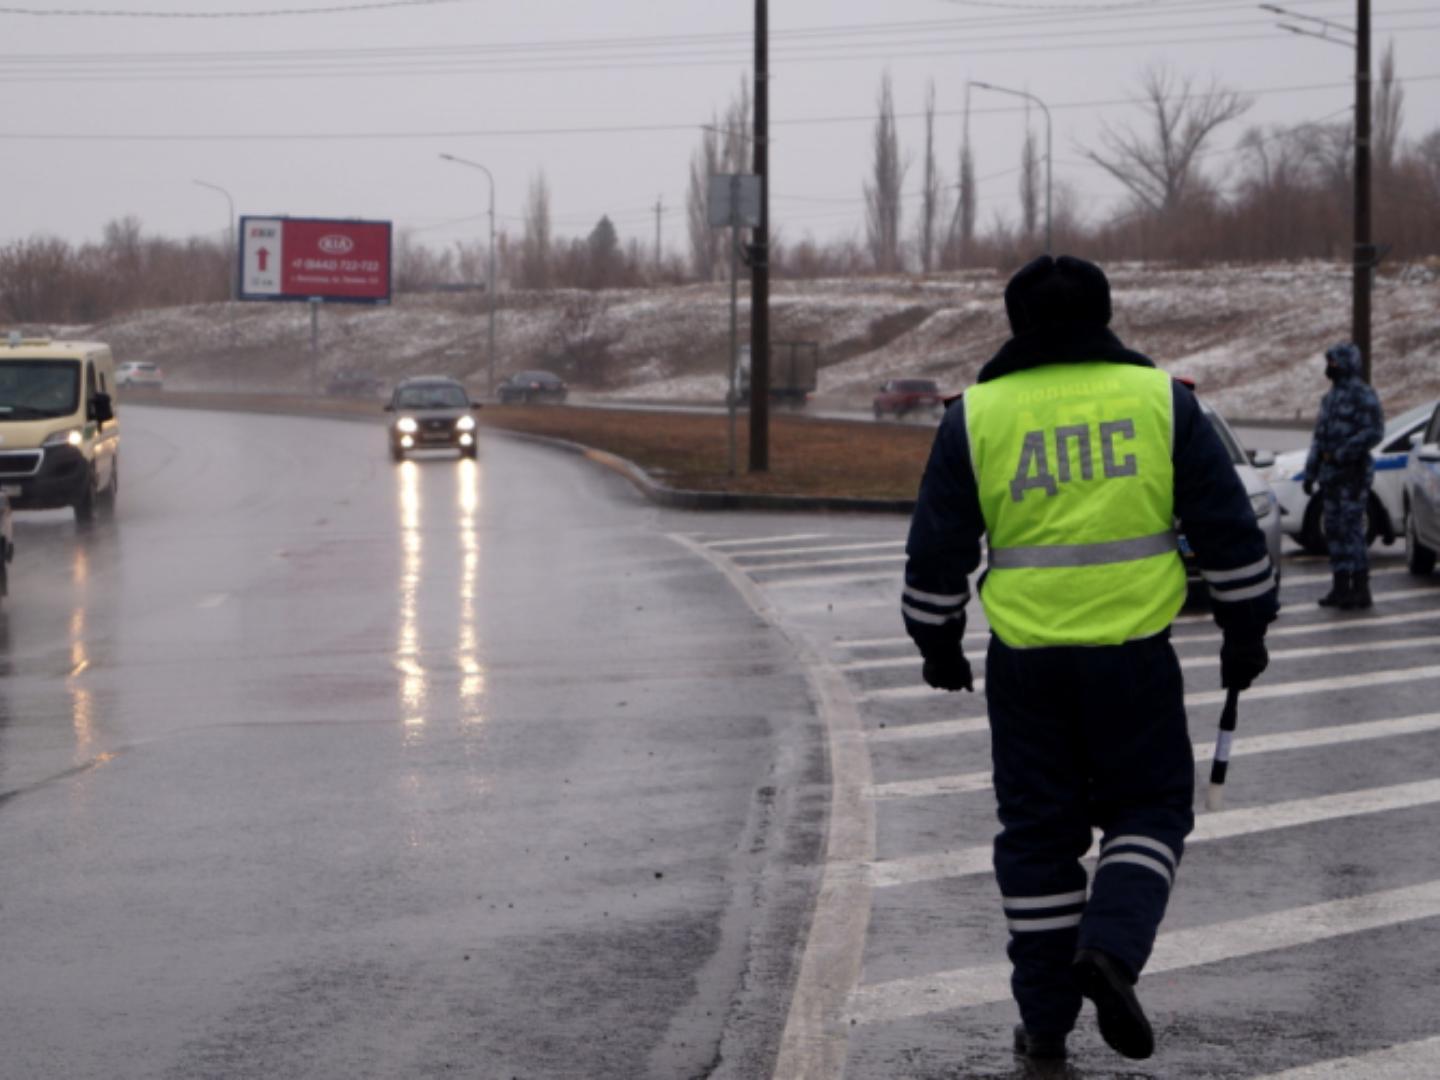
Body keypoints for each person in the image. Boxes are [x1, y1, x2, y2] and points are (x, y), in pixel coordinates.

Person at [902, 255, 1279, 1065]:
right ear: (1106, 316)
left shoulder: (977, 416)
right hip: (1134, 661)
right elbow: (1228, 530)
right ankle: (1110, 946)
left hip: (1027, 665)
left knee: (1038, 839)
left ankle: (1044, 1024)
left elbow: (937, 548)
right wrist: (1246, 629)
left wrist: (937, 642)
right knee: (1149, 812)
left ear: (1015, 323)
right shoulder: (1158, 402)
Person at [1302, 342, 1385, 609]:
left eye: (1334, 363)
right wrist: (1310, 471)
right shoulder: (1330, 398)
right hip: (1330, 477)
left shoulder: (1363, 395)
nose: (1330, 368)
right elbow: (1319, 438)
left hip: (1353, 476)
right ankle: (1340, 587)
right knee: (1334, 532)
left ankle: (1360, 588)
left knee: (1351, 531)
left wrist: (1343, 452)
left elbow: (1374, 431)